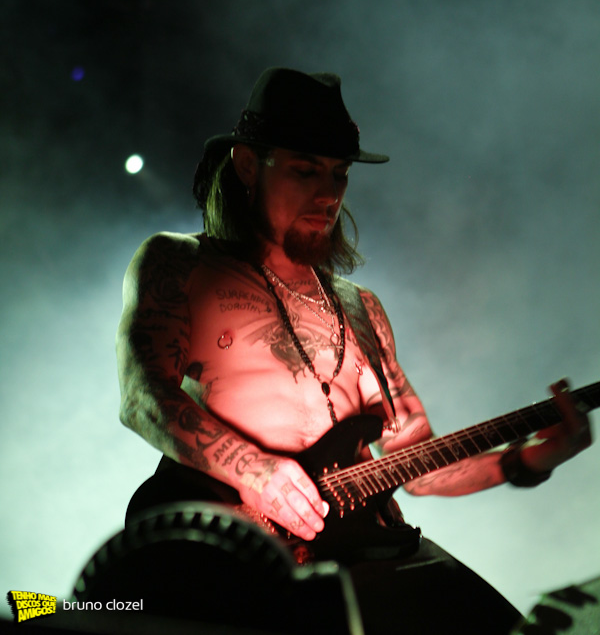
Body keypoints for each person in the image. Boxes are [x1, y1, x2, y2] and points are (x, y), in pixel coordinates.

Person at [116, 67, 592, 635]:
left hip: (372, 553)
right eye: (305, 170)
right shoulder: (181, 264)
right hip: (233, 559)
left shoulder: (361, 307)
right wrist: (256, 472)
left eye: (339, 174)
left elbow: (417, 462)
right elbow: (143, 397)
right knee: (71, 610)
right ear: (247, 164)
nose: (329, 194)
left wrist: (527, 460)